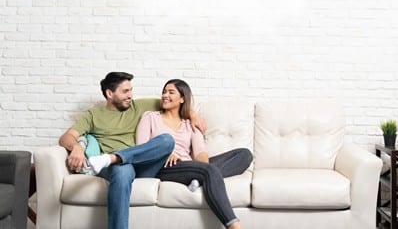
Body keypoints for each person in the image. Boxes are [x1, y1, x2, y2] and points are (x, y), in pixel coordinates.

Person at [59, 72, 205, 229]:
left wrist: (193, 114)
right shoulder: (93, 115)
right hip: (116, 168)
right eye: (125, 91)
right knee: (123, 171)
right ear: (109, 94)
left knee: (167, 140)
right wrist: (76, 147)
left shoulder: (138, 106)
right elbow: (66, 137)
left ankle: (113, 157)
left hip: (142, 165)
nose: (130, 95)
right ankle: (112, 160)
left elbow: (175, 102)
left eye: (131, 90)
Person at [136, 79, 253, 229]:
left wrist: (202, 167)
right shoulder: (150, 117)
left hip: (189, 165)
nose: (165, 95)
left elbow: (200, 152)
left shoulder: (190, 123)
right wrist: (165, 154)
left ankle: (199, 178)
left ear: (182, 98)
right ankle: (234, 225)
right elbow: (142, 148)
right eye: (164, 91)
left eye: (171, 92)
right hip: (164, 166)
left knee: (244, 155)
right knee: (209, 170)